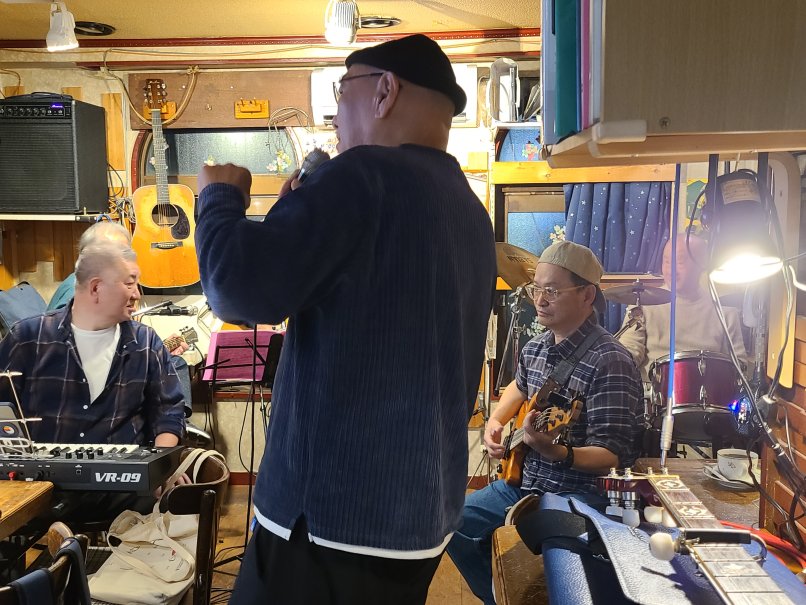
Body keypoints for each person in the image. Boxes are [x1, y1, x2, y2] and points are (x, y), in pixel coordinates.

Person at [195, 34, 496, 604]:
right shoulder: (469, 209)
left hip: (329, 519)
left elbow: (236, 290)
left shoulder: (361, 175)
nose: (334, 115)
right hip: (418, 518)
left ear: (385, 91)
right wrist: (298, 212)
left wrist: (218, 200)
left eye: (342, 92)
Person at [446, 241, 643, 605]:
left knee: (556, 560)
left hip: (579, 492)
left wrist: (557, 452)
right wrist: (496, 421)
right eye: (536, 289)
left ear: (587, 295)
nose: (539, 300)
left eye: (552, 291)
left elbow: (611, 456)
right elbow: (519, 388)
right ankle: (504, 597)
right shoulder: (534, 348)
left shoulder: (611, 361)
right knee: (453, 524)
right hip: (524, 482)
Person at [0, 241, 185, 446]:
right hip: (40, 467)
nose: (137, 294)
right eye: (129, 284)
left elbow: (169, 413)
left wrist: (161, 461)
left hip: (126, 466)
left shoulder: (146, 341)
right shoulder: (27, 337)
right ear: (96, 288)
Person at [47, 220, 196, 421]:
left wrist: (154, 352)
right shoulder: (76, 293)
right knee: (172, 365)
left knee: (172, 363)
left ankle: (176, 424)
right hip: (81, 411)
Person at [617, 234, 750, 382]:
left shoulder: (725, 311)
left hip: (707, 393)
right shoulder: (643, 304)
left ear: (701, 264)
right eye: (666, 261)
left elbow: (739, 365)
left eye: (679, 262)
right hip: (652, 392)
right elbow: (629, 348)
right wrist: (619, 362)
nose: (671, 270)